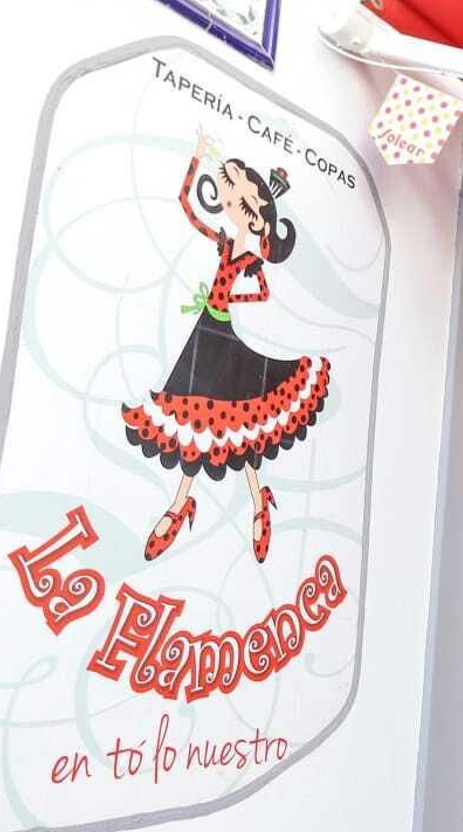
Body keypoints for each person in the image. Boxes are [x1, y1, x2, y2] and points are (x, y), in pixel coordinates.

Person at [121, 132, 329, 565]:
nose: (230, 198)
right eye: (231, 190)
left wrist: (232, 300)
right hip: (207, 332)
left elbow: (263, 292)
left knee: (237, 421)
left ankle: (249, 499)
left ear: (255, 219)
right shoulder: (223, 241)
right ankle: (192, 502)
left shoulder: (250, 259)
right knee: (197, 419)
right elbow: (186, 205)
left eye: (239, 196)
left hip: (230, 337)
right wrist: (195, 157)